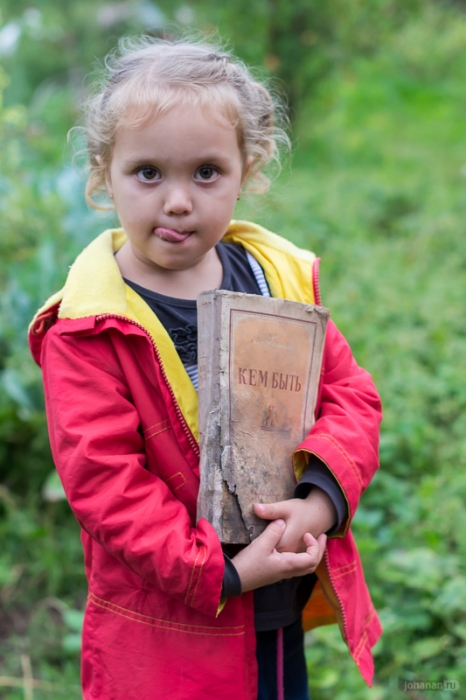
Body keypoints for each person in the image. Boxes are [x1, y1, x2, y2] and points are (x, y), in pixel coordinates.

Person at [28, 36, 382, 700]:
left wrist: (319, 501)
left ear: (248, 170)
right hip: (167, 629)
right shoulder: (89, 327)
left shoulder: (274, 280)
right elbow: (107, 486)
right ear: (105, 172)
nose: (179, 201)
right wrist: (222, 571)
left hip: (276, 599)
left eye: (207, 173)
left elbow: (350, 396)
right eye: (149, 173)